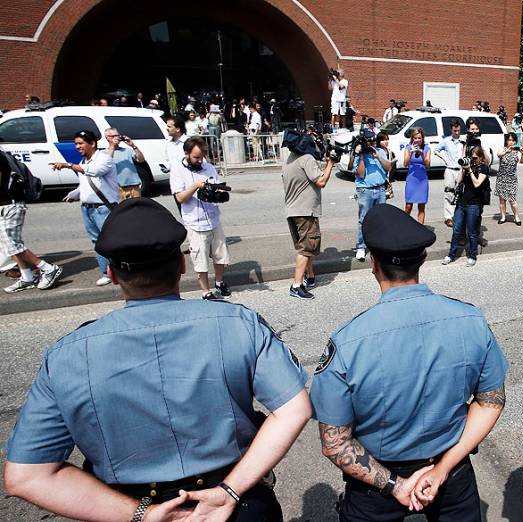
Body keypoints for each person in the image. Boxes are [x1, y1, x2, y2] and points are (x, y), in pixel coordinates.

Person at [3, 198, 311, 522]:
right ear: (181, 264)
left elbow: (27, 475)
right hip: (236, 502)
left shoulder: (67, 354)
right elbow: (295, 408)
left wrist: (142, 514)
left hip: (122, 505)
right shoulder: (237, 323)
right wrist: (229, 491)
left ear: (112, 272)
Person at [311, 203, 508, 521]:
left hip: (375, 483)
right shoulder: (470, 320)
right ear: (422, 259)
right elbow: (491, 401)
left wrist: (395, 485)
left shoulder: (348, 343)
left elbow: (336, 443)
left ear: (373, 264)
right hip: (451, 473)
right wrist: (442, 468)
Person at [53, 130, 118, 287]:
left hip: (103, 208)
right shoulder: (83, 162)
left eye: (80, 143)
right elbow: (85, 184)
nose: (77, 147)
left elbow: (95, 172)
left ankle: (121, 270)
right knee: (97, 242)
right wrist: (74, 194)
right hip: (87, 208)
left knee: (111, 241)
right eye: (76, 144)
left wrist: (69, 165)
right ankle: (106, 273)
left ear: (92, 143)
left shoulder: (104, 159)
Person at [169, 137, 231, 300]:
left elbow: (217, 187)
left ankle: (219, 282)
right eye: (196, 157)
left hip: (213, 218)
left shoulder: (208, 167)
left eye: (202, 156)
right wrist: (196, 186)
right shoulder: (177, 170)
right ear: (187, 154)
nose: (200, 160)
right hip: (194, 222)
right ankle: (206, 291)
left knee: (220, 255)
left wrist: (218, 192)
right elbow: (180, 198)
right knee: (200, 258)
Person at [0, 152, 63, 293]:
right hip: (6, 206)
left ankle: (48, 269)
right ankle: (27, 277)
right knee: (12, 246)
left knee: (14, 246)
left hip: (11, 206)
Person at [281, 141, 334, 300]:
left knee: (305, 247)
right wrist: (331, 163)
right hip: (305, 211)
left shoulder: (290, 159)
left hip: (292, 211)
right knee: (306, 247)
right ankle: (296, 285)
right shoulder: (307, 158)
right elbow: (321, 181)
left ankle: (310, 276)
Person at [443, 145, 489, 267]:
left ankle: (472, 256)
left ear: (480, 157)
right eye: (471, 157)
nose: (473, 160)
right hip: (461, 203)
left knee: (472, 232)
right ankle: (451, 255)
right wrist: (463, 169)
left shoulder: (483, 168)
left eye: (475, 158)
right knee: (456, 230)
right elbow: (458, 181)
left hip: (474, 204)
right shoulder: (468, 167)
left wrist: (470, 170)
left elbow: (477, 183)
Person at [348, 128, 390, 261]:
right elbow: (360, 174)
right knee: (364, 220)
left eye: (373, 140)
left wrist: (378, 156)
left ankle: (380, 245)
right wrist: (361, 156)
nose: (372, 143)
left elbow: (388, 168)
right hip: (365, 190)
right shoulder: (360, 154)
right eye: (369, 141)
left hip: (380, 189)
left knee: (381, 219)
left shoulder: (381, 151)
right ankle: (361, 246)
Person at [435, 120, 466, 228]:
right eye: (454, 130)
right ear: (451, 129)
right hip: (450, 169)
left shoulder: (463, 141)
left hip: (460, 170)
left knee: (460, 193)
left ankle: (458, 215)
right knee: (449, 192)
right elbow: (436, 150)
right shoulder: (446, 141)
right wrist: (444, 158)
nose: (456, 132)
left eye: (458, 130)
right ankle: (448, 217)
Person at [103, 127, 145, 200]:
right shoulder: (104, 153)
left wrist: (133, 145)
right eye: (113, 136)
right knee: (123, 210)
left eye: (118, 135)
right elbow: (106, 163)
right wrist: (113, 146)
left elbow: (141, 160)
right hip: (118, 188)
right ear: (107, 138)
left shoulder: (127, 150)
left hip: (134, 187)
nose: (116, 138)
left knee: (137, 210)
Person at [403, 127, 431, 224]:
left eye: (419, 138)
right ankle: (405, 225)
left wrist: (422, 154)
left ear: (423, 138)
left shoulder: (427, 149)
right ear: (412, 139)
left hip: (422, 179)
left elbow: (428, 165)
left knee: (421, 206)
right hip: (411, 178)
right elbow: (405, 164)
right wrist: (411, 152)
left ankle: (420, 228)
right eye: (415, 138)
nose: (417, 140)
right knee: (408, 205)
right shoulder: (408, 147)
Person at [495, 132, 523, 225]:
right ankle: (503, 217)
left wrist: (522, 153)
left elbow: (522, 161)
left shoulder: (517, 152)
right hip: (501, 178)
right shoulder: (502, 149)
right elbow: (499, 155)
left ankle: (516, 217)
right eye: (509, 140)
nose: (511, 142)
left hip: (512, 179)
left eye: (513, 140)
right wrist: (507, 151)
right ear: (506, 141)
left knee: (512, 200)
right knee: (502, 200)